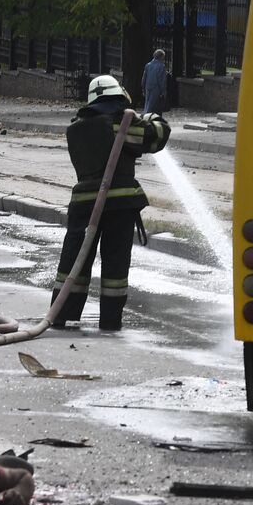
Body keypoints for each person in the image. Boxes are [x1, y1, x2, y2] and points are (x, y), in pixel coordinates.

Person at [51, 74, 170, 331]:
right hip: (119, 206)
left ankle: (60, 314)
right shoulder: (121, 126)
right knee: (115, 265)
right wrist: (151, 117)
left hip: (83, 205)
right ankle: (110, 321)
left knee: (74, 262)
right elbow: (157, 136)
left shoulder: (76, 127)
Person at [142, 48, 170, 114]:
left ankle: (146, 115)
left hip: (148, 86)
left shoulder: (148, 65)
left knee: (147, 104)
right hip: (156, 88)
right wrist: (163, 91)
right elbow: (162, 80)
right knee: (153, 106)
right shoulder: (161, 66)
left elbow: (144, 78)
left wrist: (143, 87)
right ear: (161, 57)